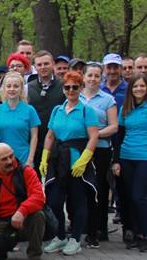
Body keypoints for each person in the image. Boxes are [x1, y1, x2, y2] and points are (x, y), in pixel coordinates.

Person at [39, 70, 99, 256]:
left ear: (81, 88)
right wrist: (44, 157)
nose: (71, 90)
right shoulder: (57, 110)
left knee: (78, 201)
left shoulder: (87, 111)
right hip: (58, 161)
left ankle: (75, 239)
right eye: (67, 87)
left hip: (77, 161)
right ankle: (60, 236)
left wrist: (84, 159)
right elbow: (50, 135)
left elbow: (94, 136)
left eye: (75, 87)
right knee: (54, 201)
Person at [112, 74, 147, 252]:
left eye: (142, 86)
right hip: (126, 156)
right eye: (135, 86)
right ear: (130, 89)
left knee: (139, 196)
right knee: (128, 197)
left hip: (146, 157)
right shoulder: (125, 108)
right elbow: (119, 137)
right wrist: (116, 161)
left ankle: (146, 234)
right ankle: (134, 232)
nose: (139, 89)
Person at [0, 143, 46, 260]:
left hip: (24, 220)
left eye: (11, 156)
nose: (9, 161)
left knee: (38, 215)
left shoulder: (26, 171)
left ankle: (35, 255)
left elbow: (38, 196)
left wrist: (22, 211)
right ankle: (0, 251)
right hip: (2, 221)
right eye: (4, 159)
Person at [80, 62, 118, 247]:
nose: (93, 79)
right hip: (81, 148)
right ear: (83, 77)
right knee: (82, 188)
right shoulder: (76, 96)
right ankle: (84, 225)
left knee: (100, 189)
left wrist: (95, 134)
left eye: (97, 76)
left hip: (101, 149)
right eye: (90, 75)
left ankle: (100, 228)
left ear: (101, 78)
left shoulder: (108, 100)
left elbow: (114, 126)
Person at [0, 71, 40, 167]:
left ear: (21, 89)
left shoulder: (30, 110)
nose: (12, 89)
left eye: (16, 86)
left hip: (23, 158)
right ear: (4, 88)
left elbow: (34, 137)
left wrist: (30, 159)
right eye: (9, 86)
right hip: (2, 160)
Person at [27, 52, 64, 173]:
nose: (43, 67)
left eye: (46, 64)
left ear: (53, 64)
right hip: (34, 141)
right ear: (35, 67)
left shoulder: (64, 86)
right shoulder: (28, 88)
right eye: (39, 64)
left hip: (58, 140)